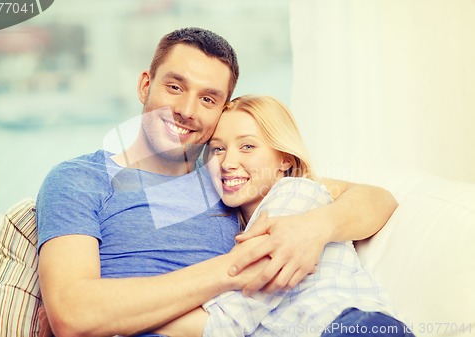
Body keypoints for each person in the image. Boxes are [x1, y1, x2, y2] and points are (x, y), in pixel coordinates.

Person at [36, 27, 398, 337]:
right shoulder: (80, 180)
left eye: (208, 98)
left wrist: (316, 227)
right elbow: (72, 314)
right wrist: (238, 267)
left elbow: (375, 199)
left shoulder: (229, 180)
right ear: (146, 85)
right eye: (175, 87)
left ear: (221, 109)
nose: (188, 110)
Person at [152, 95, 413, 336]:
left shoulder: (297, 194)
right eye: (218, 149)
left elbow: (227, 321)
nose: (228, 162)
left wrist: (130, 318)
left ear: (285, 159)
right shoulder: (235, 225)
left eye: (247, 146)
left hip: (351, 326)